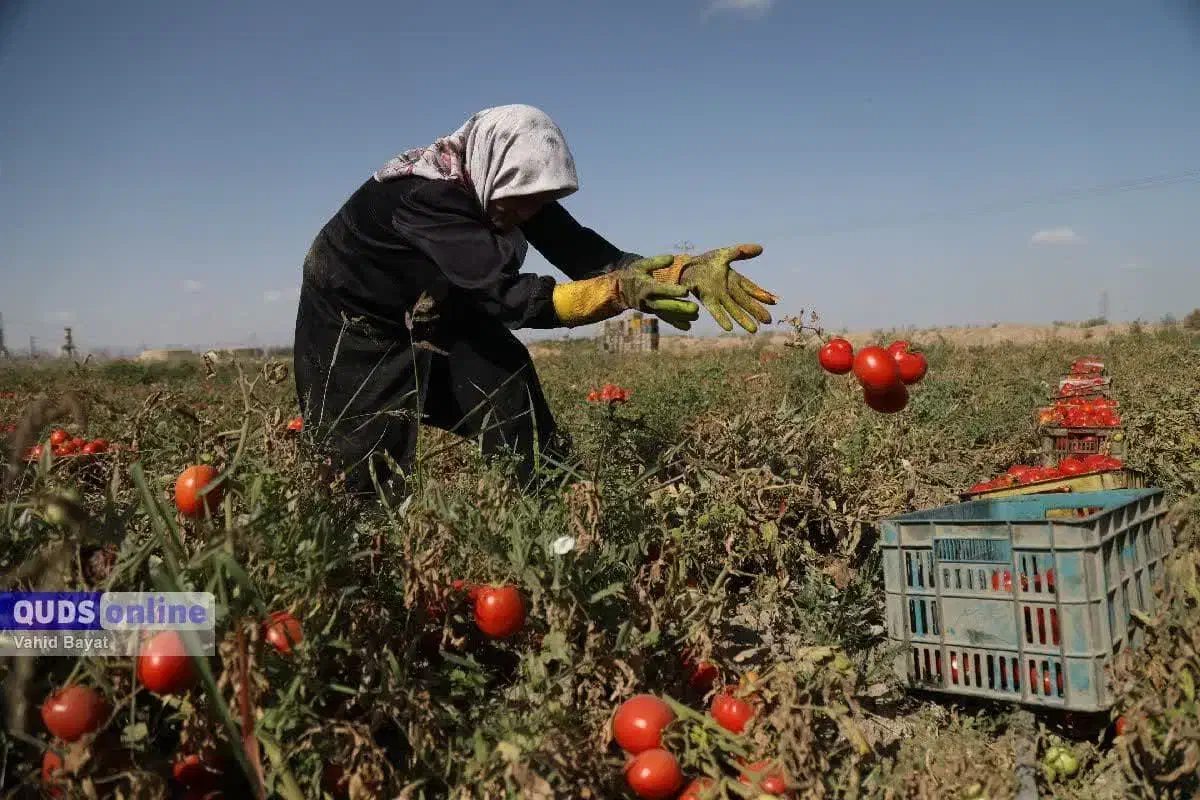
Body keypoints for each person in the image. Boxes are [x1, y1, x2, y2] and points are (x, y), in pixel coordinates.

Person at [293, 104, 778, 501]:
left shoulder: (510, 187)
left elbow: (590, 255)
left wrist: (683, 272)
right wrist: (615, 294)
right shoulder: (427, 195)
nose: (528, 213)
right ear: (494, 166)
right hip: (353, 321)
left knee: (505, 378)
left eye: (539, 201)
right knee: (361, 467)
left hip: (431, 302)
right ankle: (359, 569)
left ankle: (549, 509)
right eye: (524, 200)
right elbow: (505, 297)